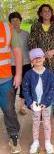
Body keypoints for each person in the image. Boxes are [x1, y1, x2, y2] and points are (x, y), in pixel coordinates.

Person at [28, 4, 54, 117]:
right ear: (40, 13)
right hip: (41, 62)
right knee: (41, 85)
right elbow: (31, 43)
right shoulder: (35, 26)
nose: (46, 13)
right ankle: (42, 106)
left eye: (48, 11)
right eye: (44, 11)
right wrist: (39, 55)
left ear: (51, 12)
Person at [22, 48, 54, 153]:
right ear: (31, 61)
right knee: (35, 123)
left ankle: (48, 142)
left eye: (39, 57)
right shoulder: (28, 74)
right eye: (34, 58)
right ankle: (35, 142)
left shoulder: (49, 74)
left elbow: (52, 88)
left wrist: (46, 102)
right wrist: (30, 103)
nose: (37, 60)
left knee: (46, 123)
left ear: (44, 58)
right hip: (35, 104)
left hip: (46, 104)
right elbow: (25, 89)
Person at [0, 21, 22, 153]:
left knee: (9, 110)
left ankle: (14, 137)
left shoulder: (7, 28)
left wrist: (18, 74)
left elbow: (18, 52)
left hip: (5, 80)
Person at [9, 11, 31, 115]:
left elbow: (30, 48)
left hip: (26, 63)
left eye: (17, 20)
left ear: (20, 21)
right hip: (12, 65)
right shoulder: (8, 34)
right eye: (12, 20)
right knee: (12, 87)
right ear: (10, 22)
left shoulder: (26, 34)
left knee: (24, 86)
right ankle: (11, 108)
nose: (15, 22)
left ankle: (22, 106)